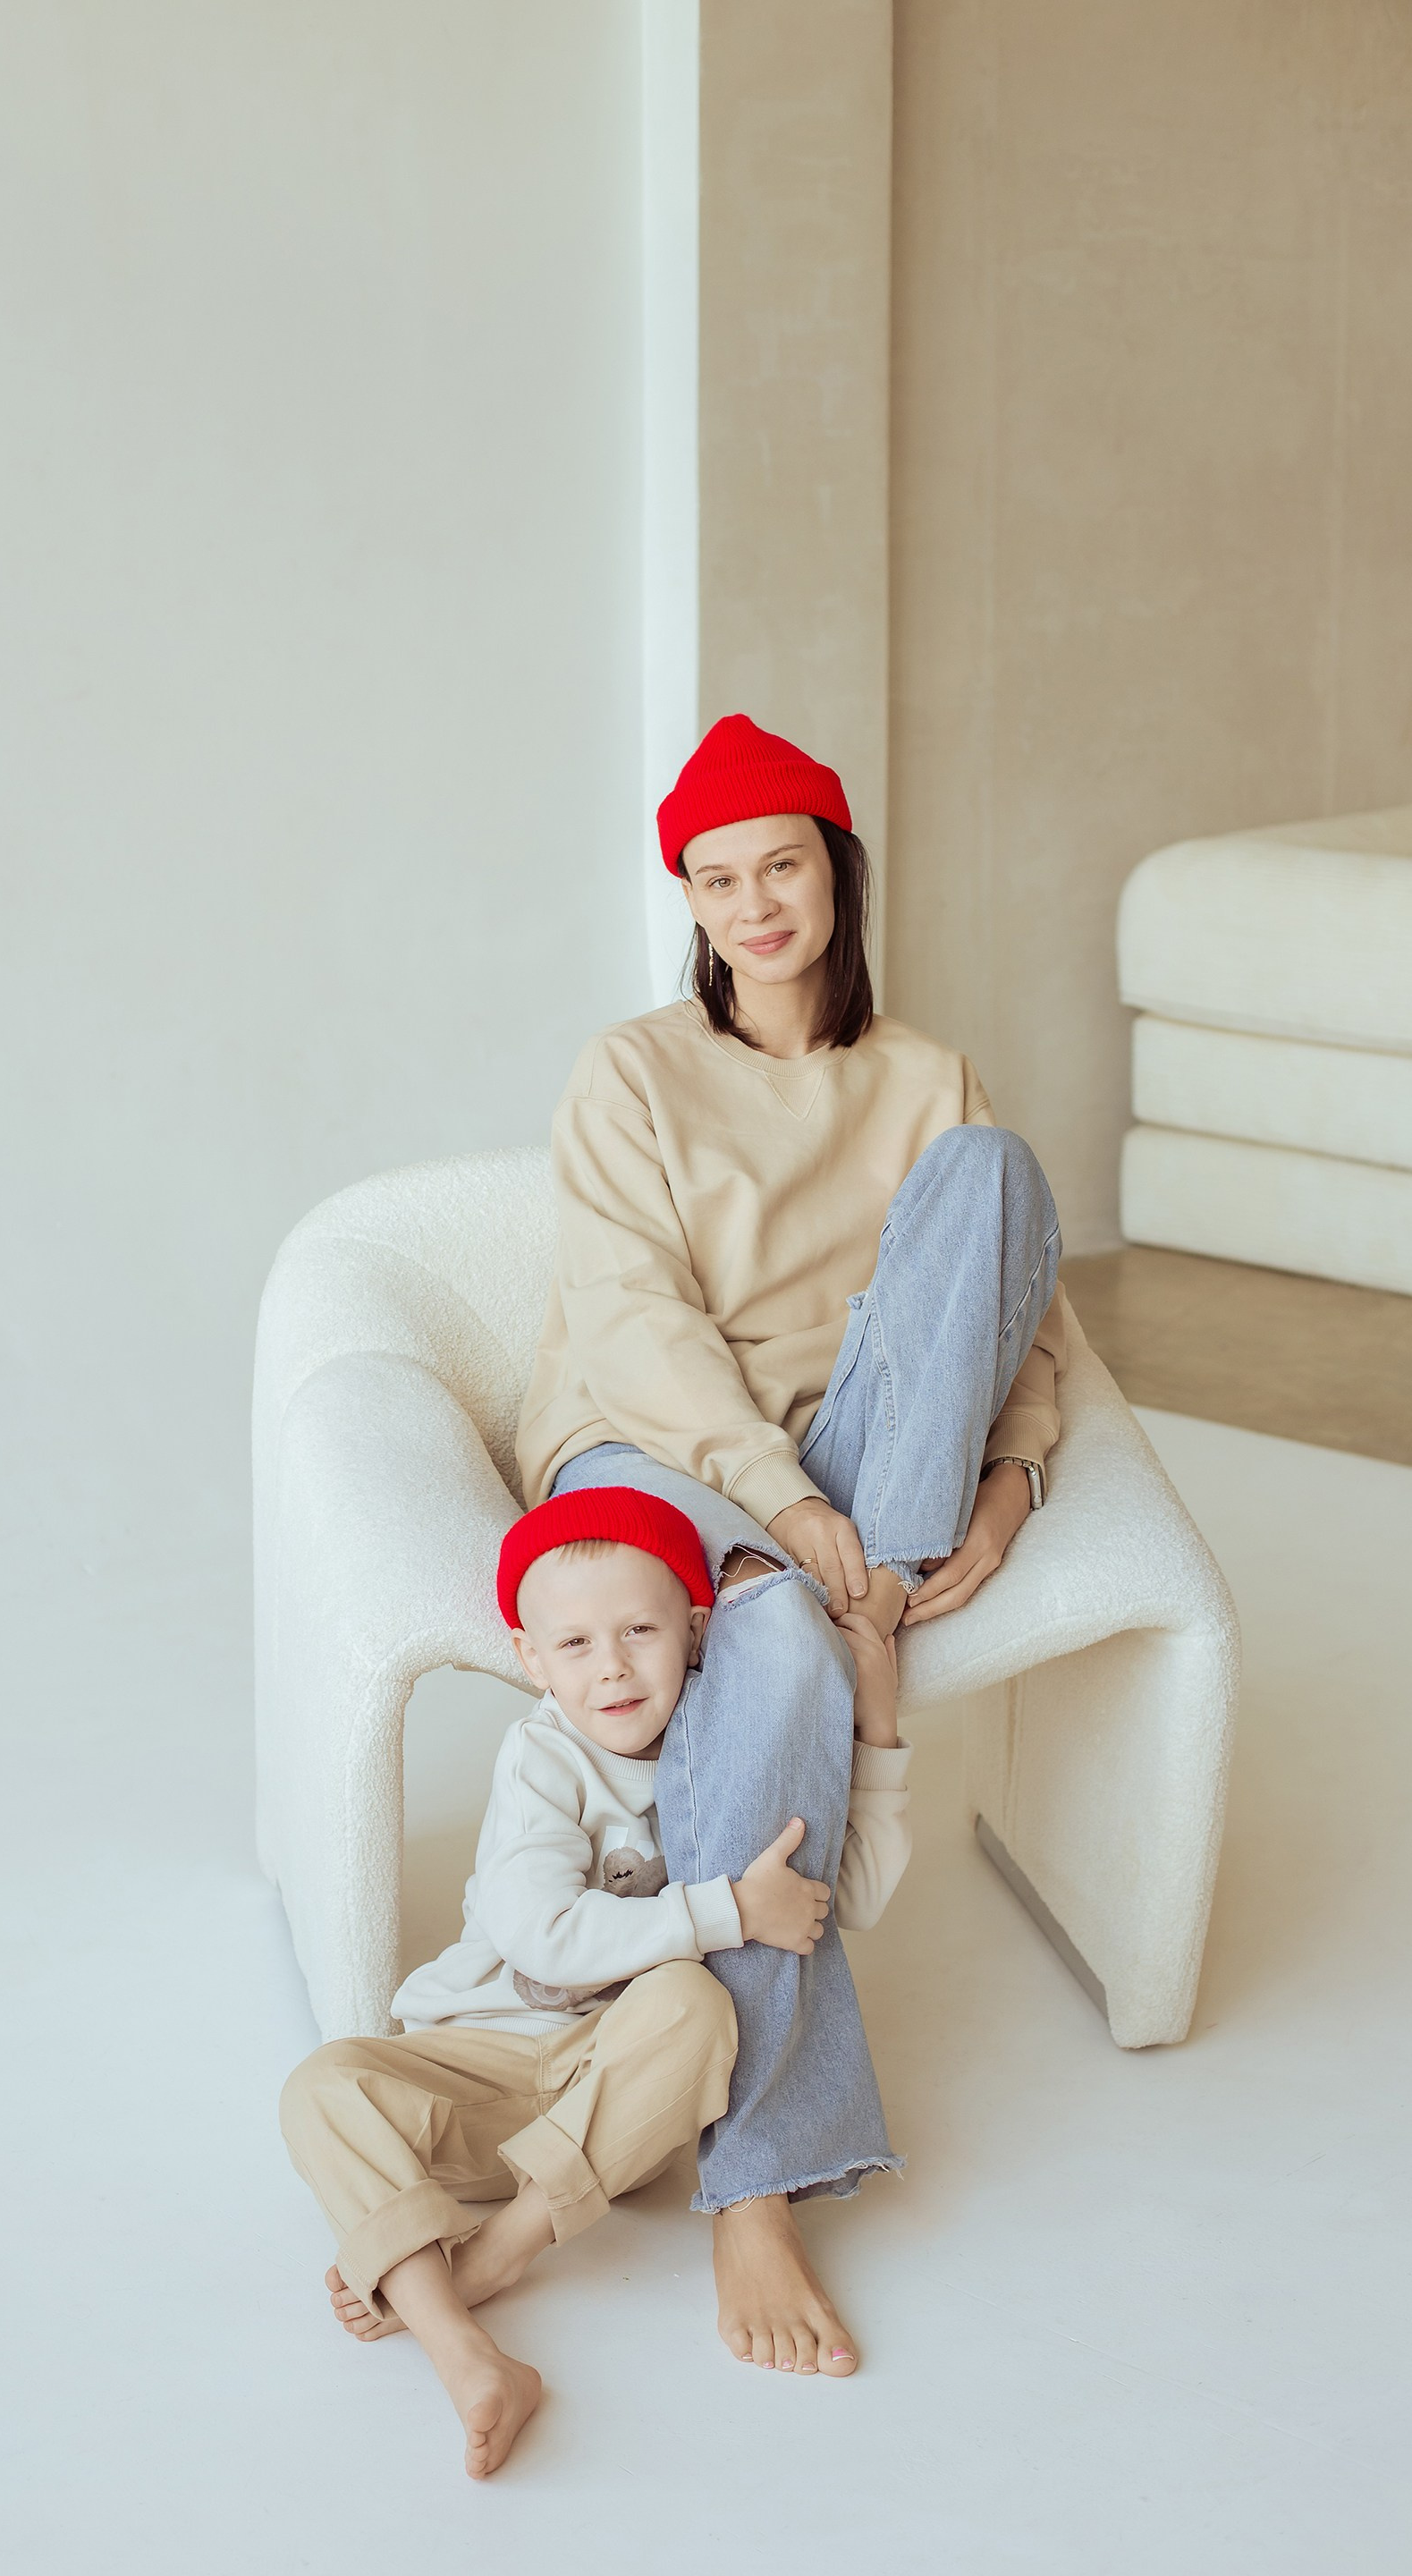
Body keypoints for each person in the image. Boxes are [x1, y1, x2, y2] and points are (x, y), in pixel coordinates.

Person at [515, 712, 1069, 2376]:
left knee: (992, 1173)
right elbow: (635, 1329)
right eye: (717, 880)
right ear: (689, 903)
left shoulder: (925, 1076)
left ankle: (865, 1583)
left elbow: (1008, 1316)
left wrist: (1009, 1484)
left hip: (861, 1470)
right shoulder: (633, 1072)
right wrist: (790, 1511)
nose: (754, 906)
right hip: (662, 1452)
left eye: (782, 867)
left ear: (839, 872)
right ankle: (754, 2179)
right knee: (775, 1631)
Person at [280, 1486, 911, 2477]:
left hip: (620, 2094)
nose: (610, 1666)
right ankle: (462, 2347)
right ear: (531, 1660)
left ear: (696, 1632)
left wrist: (874, 1732)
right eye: (572, 1645)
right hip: (481, 2061)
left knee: (696, 2004)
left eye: (638, 1632)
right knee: (322, 2085)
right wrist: (729, 1911)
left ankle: (499, 2253)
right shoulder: (543, 1755)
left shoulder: (733, 1751)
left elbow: (851, 1899)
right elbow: (542, 1936)